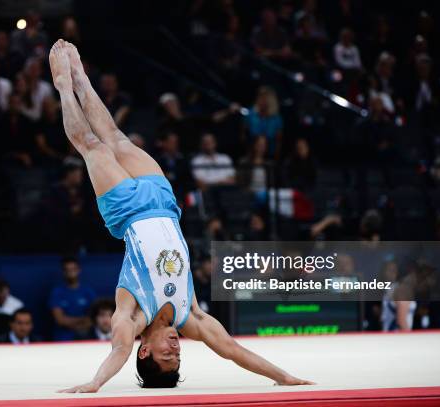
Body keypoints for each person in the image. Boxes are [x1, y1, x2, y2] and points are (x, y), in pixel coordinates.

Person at [47, 40, 312, 392]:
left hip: (125, 211)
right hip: (163, 204)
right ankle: (81, 77)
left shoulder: (133, 314)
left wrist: (96, 383)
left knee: (92, 145)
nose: (175, 348)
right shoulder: (192, 315)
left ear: (145, 352)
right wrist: (284, 377)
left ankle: (64, 86)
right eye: (178, 356)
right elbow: (232, 350)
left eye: (167, 356)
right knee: (115, 136)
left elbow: (118, 349)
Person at [49, 256, 96, 341]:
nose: (71, 272)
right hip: (63, 337)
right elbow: (59, 319)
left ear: (79, 270)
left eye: (74, 269)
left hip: (85, 336)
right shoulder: (57, 292)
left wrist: (79, 324)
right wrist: (81, 320)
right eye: (68, 270)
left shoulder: (88, 291)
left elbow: (93, 318)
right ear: (63, 272)